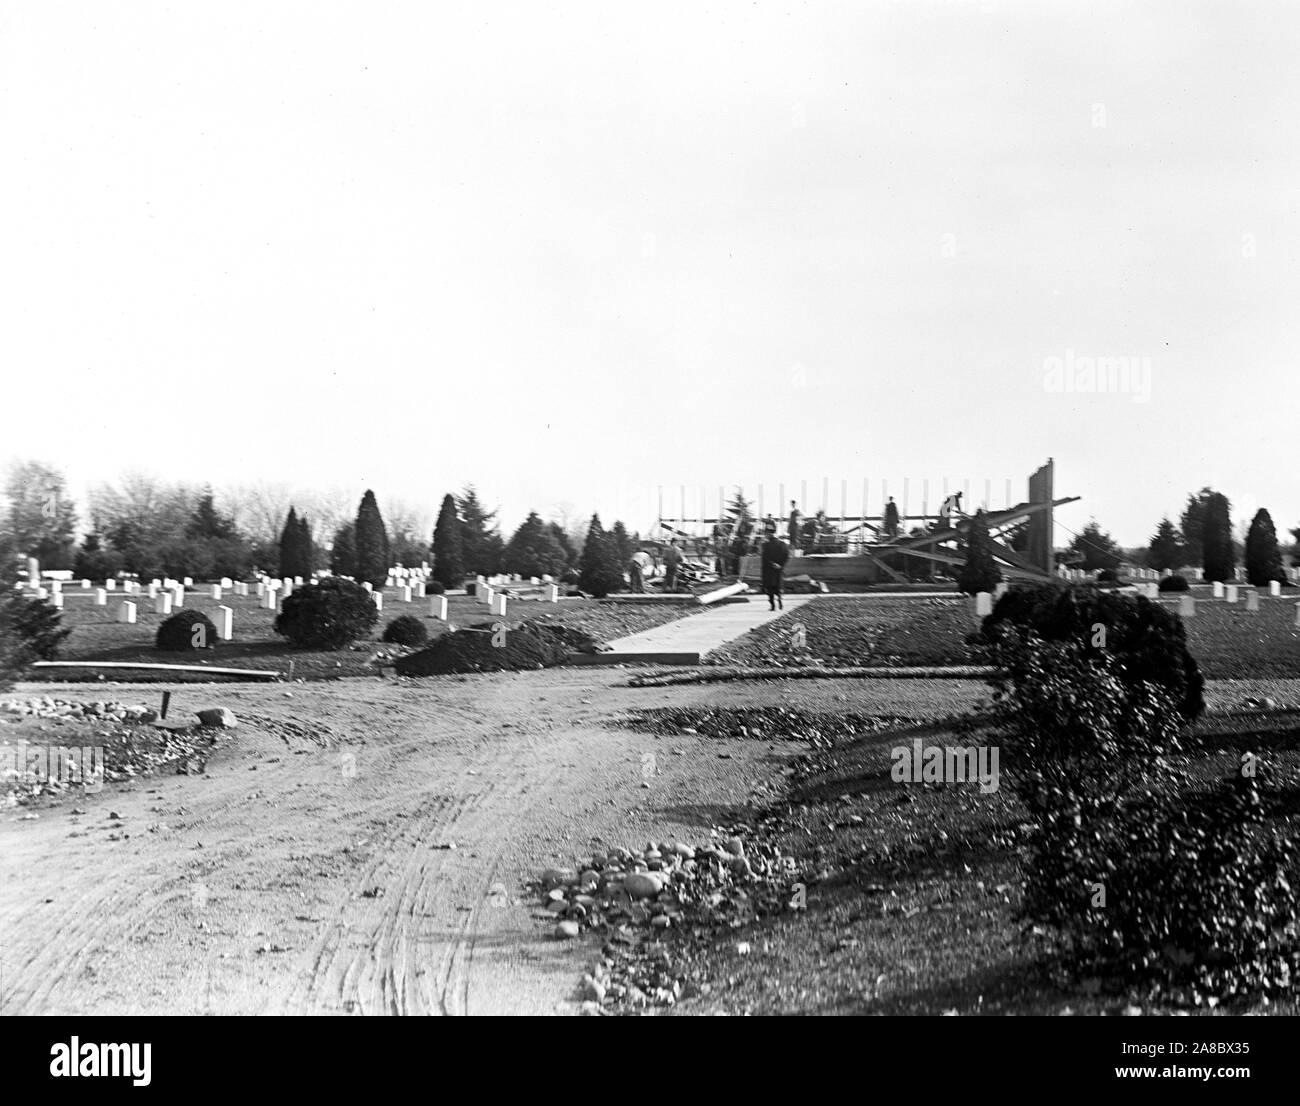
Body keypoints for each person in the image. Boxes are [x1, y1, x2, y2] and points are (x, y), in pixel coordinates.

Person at [761, 531, 790, 611]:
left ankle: (772, 605)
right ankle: (780, 599)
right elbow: (786, 555)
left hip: (769, 569)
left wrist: (772, 564)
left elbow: (765, 557)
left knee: (770, 587)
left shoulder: (766, 545)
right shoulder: (783, 544)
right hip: (779, 569)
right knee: (778, 585)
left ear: (769, 536)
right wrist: (780, 565)